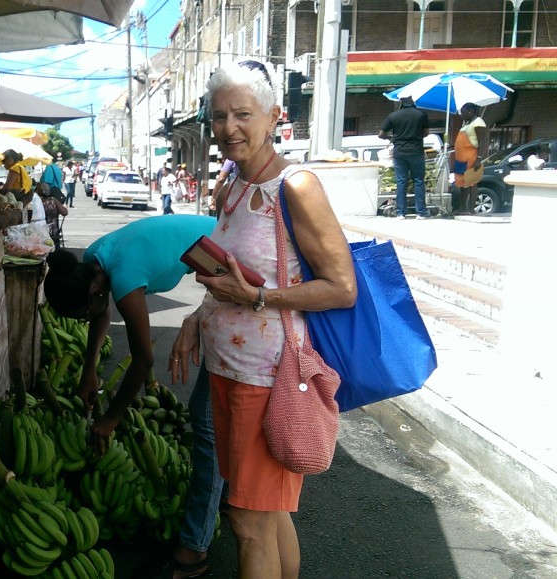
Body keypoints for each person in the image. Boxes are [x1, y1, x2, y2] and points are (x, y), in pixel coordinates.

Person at [169, 61, 356, 579]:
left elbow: (341, 288)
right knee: (268, 516)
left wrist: (257, 297)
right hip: (226, 370)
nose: (229, 127)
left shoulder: (296, 187)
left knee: (246, 523)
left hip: (269, 379)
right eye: (219, 115)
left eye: (243, 114)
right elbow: (225, 275)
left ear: (274, 116)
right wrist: (195, 318)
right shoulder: (230, 185)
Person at [42, 214, 219, 456]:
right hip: (209, 247)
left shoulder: (125, 277)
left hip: (224, 245)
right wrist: (89, 369)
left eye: (83, 314)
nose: (86, 320)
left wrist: (111, 419)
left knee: (207, 412)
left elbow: (143, 359)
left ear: (93, 292)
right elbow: (100, 313)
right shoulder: (93, 261)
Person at [378, 95, 430, 219]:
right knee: (418, 181)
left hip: (399, 152)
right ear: (413, 102)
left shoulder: (393, 116)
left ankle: (401, 212)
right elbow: (426, 133)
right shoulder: (421, 114)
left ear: (401, 103)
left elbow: (381, 134)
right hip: (416, 151)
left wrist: (392, 138)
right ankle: (421, 212)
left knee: (401, 182)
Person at [452, 102, 489, 215]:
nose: (461, 115)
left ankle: (471, 209)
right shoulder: (468, 123)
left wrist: (479, 158)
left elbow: (483, 141)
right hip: (461, 159)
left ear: (470, 111)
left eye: (462, 112)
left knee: (471, 183)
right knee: (463, 184)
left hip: (471, 158)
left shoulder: (478, 123)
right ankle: (462, 208)